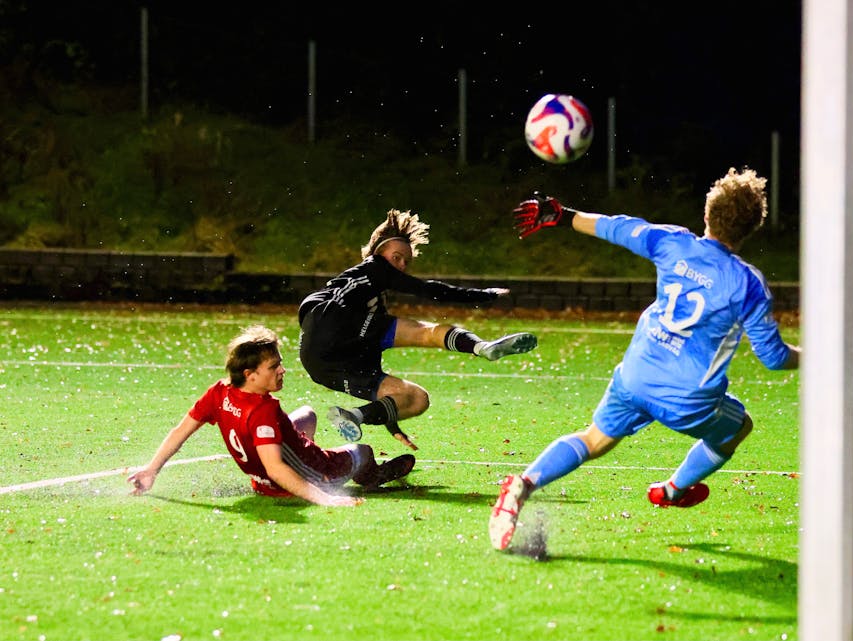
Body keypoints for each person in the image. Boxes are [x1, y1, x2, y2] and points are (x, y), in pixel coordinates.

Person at [489, 167, 801, 551]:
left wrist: (563, 214)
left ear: (707, 213)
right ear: (752, 228)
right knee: (738, 427)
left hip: (636, 376)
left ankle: (525, 483)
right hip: (689, 400)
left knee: (594, 439)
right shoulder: (748, 283)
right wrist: (812, 357)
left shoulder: (673, 243)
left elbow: (616, 227)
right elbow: (772, 357)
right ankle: (672, 490)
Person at [298, 208, 538, 451]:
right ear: (378, 253)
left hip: (319, 364)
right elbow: (430, 290)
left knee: (415, 398)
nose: (402, 265)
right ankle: (482, 347)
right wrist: (484, 295)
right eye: (397, 257)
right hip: (328, 321)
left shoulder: (370, 310)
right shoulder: (373, 267)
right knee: (426, 332)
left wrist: (389, 419)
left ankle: (352, 416)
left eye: (406, 261)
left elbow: (371, 359)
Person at [128, 325, 415, 507]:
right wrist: (325, 499)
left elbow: (181, 430)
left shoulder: (220, 391)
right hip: (295, 481)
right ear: (250, 375)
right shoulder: (263, 411)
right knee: (363, 451)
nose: (282, 370)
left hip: (261, 480)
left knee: (307, 414)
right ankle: (374, 476)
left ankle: (300, 457)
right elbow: (275, 469)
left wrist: (151, 470)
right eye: (273, 366)